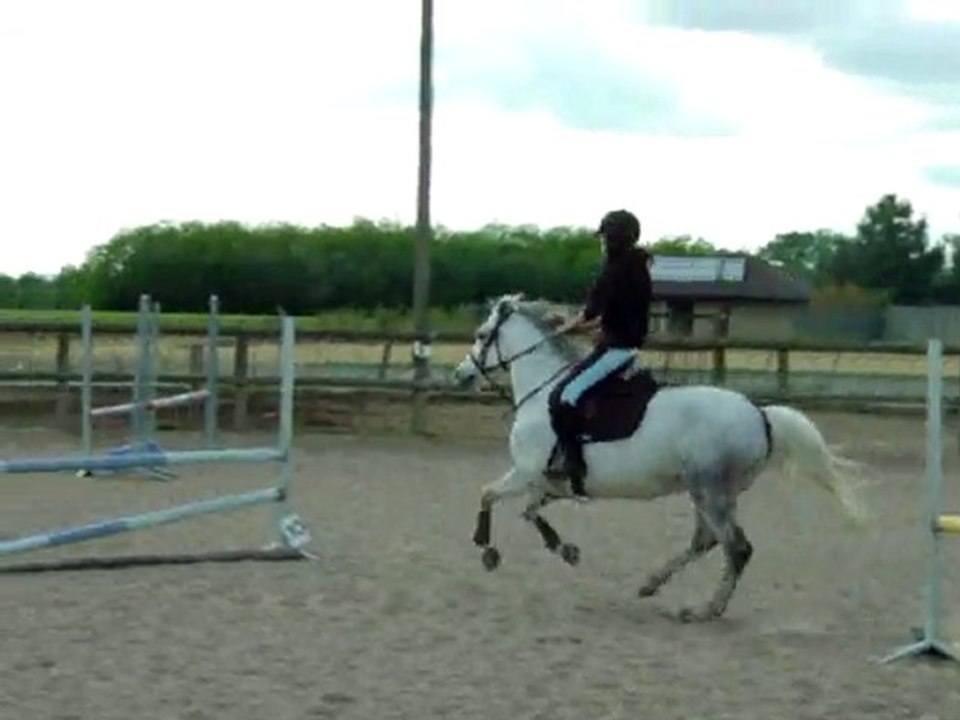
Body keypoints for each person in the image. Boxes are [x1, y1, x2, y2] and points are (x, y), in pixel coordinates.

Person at [547, 208, 654, 498]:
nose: (602, 243)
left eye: (605, 237)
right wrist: (568, 324)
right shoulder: (635, 266)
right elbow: (602, 319)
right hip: (618, 345)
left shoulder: (616, 269)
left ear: (615, 238)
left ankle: (574, 463)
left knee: (564, 398)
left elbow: (589, 314)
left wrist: (562, 329)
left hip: (616, 350)